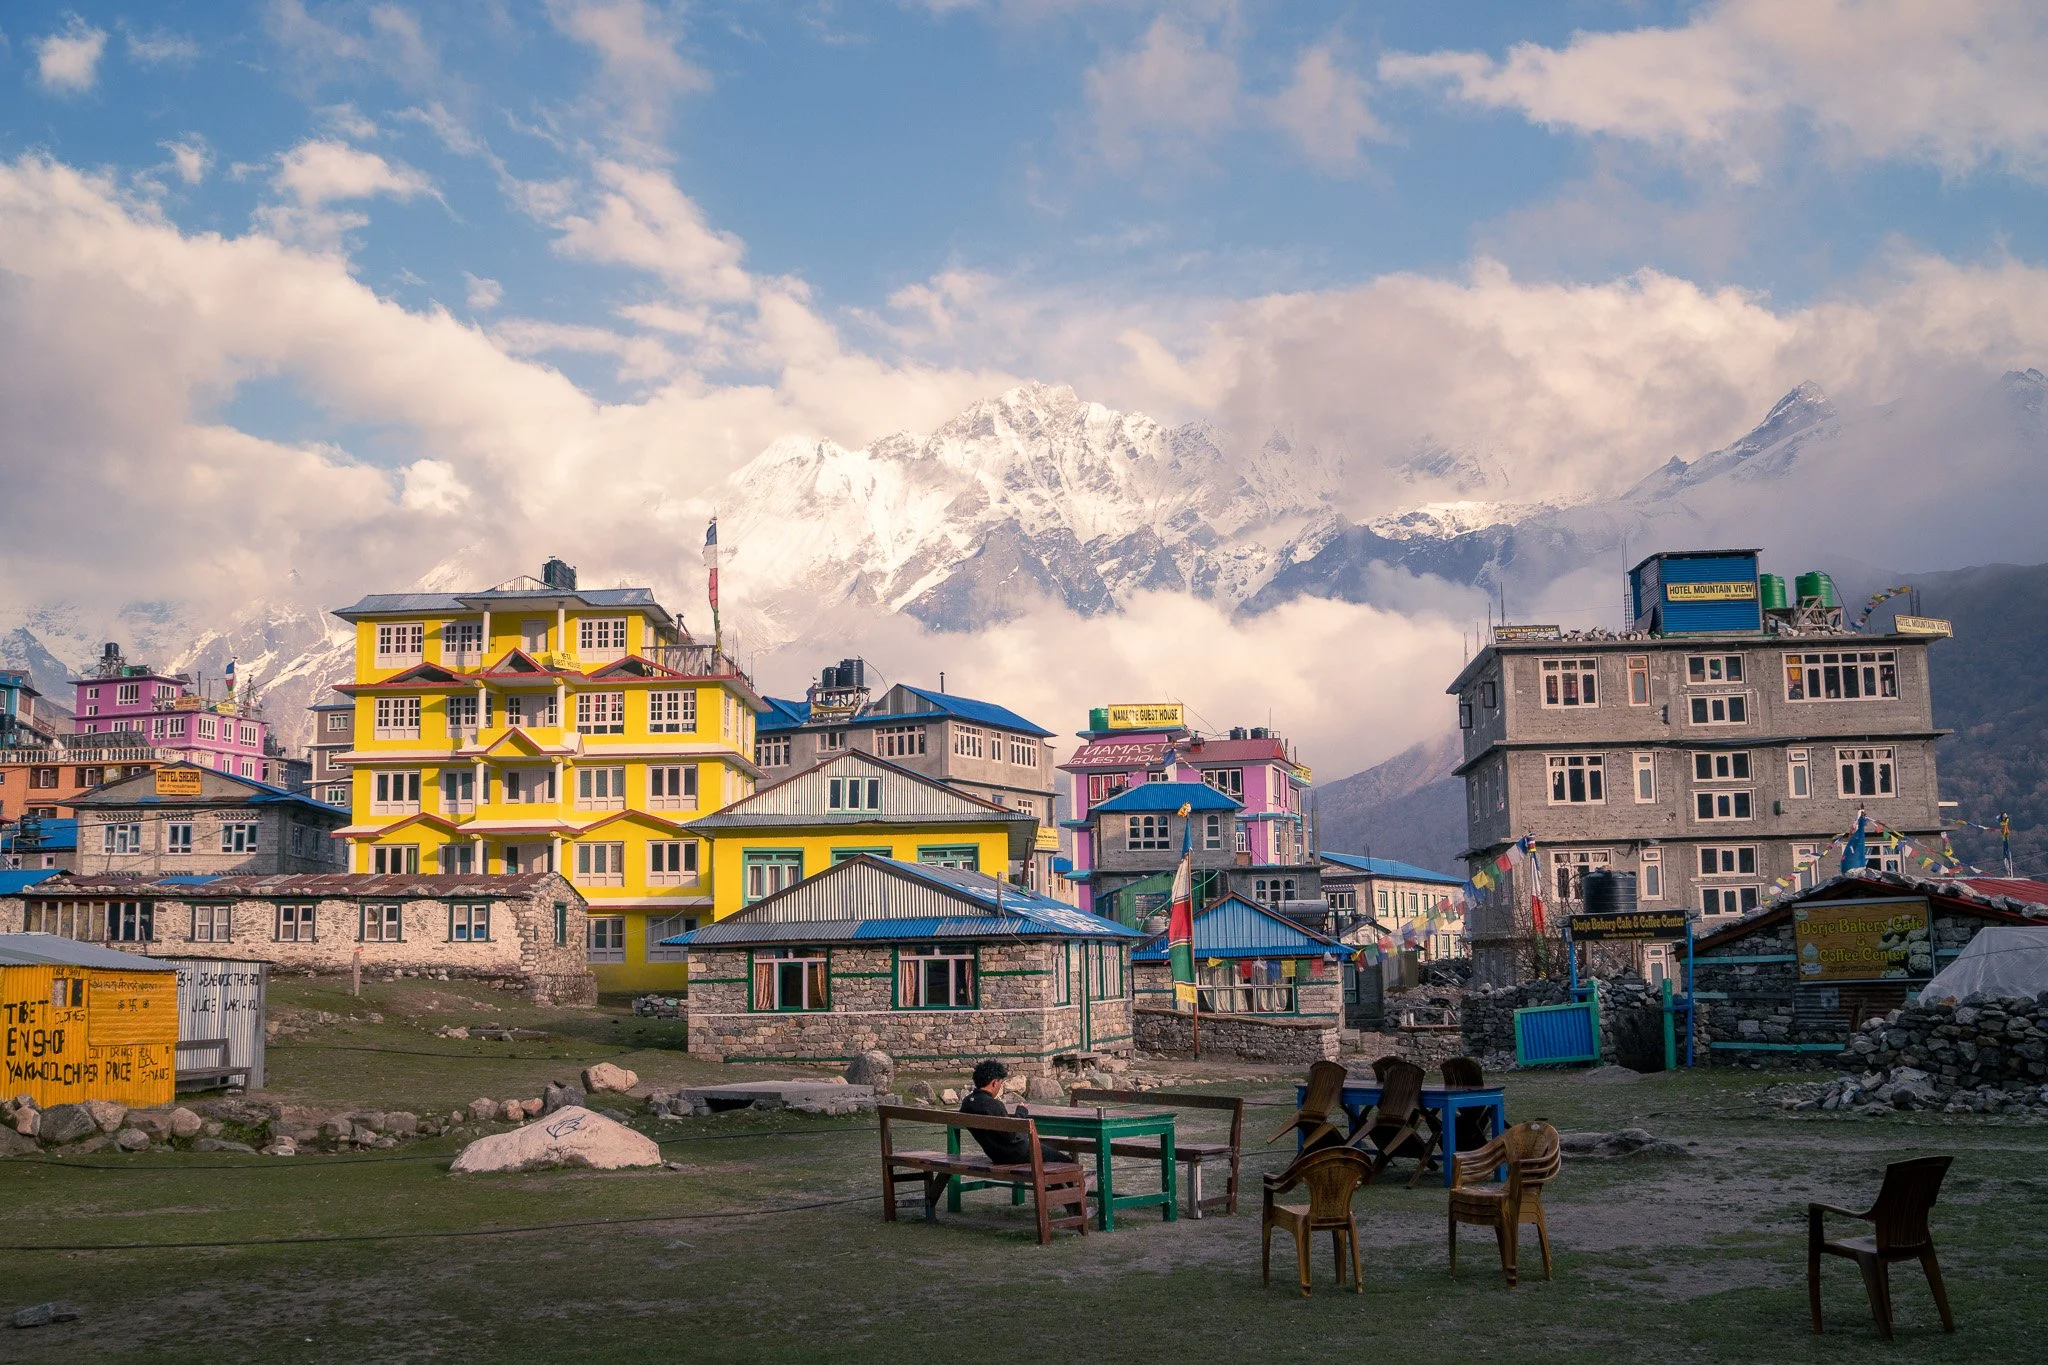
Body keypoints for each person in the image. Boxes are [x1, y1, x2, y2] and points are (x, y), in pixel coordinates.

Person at [958, 1059, 1035, 1165]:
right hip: (1015, 1154)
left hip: (994, 1154)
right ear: (994, 1083)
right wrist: (1021, 1112)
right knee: (1062, 1160)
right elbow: (1011, 1135)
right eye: (1000, 1083)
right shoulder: (994, 1105)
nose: (1000, 1087)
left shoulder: (967, 1102)